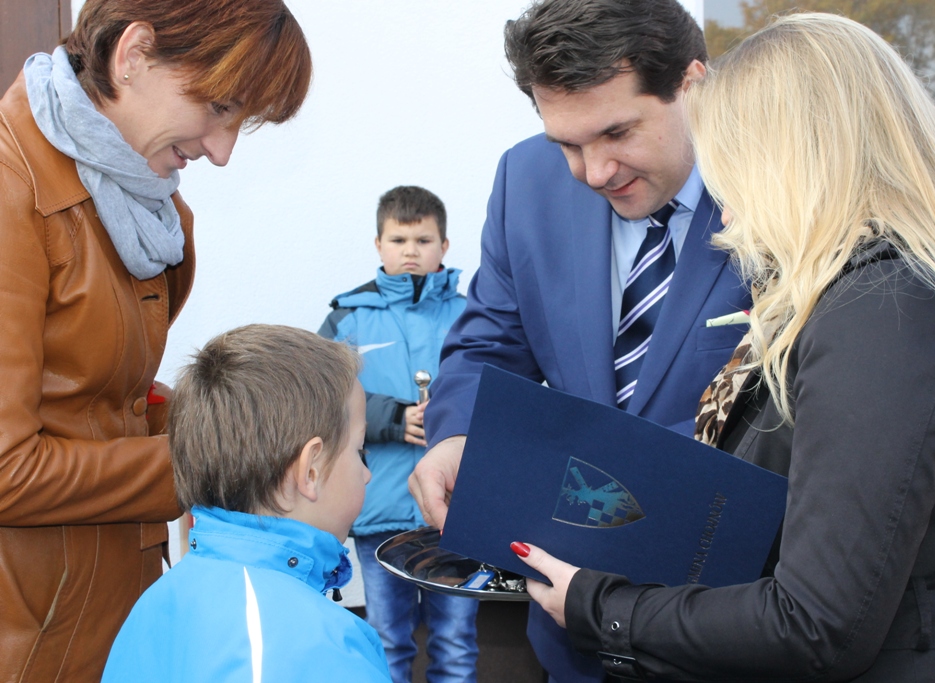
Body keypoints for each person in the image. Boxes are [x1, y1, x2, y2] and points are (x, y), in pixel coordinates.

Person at [515, 12, 935, 682]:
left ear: (800, 161)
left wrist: (600, 606)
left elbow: (815, 623)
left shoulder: (888, 309)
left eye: (735, 173)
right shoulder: (880, 294)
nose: (724, 212)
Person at [407, 1, 751, 680]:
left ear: (692, 84)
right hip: (571, 636)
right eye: (567, 142)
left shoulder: (779, 187)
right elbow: (486, 344)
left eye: (616, 132)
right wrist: (457, 434)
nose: (594, 171)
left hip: (732, 621)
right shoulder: (525, 181)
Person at [0, 1, 311, 680]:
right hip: (34, 634)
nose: (223, 151)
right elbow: (6, 467)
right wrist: (211, 462)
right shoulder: (11, 189)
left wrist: (235, 417)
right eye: (220, 107)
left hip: (114, 602)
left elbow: (96, 397)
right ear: (134, 53)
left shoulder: (137, 196)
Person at [101, 325, 390, 682]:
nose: (366, 474)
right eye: (359, 451)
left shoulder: (161, 601)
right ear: (310, 471)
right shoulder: (313, 646)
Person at [318, 186, 477, 683]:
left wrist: (454, 419)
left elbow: (503, 392)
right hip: (380, 508)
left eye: (423, 239)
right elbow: (321, 399)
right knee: (387, 640)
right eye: (399, 239)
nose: (411, 251)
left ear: (444, 246)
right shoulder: (347, 318)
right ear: (378, 244)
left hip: (457, 509)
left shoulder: (474, 317)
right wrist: (394, 417)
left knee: (455, 642)